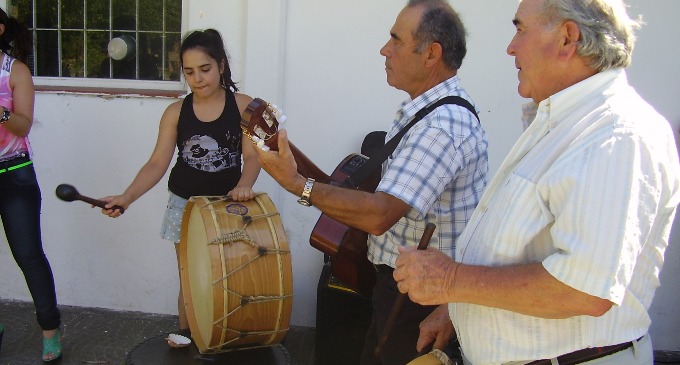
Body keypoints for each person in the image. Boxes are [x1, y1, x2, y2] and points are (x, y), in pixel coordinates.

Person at [393, 1, 680, 364]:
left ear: (567, 38)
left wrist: (451, 281)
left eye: (520, 29)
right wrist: (460, 308)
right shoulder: (565, 121)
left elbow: (584, 290)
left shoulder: (615, 134)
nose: (511, 47)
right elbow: (529, 248)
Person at [254, 1, 488, 364]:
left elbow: (381, 214)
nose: (384, 49)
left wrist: (297, 185)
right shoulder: (424, 111)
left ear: (431, 54)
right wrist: (298, 175)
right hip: (403, 290)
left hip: (419, 301)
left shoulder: (441, 128)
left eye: (396, 39)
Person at [100, 28, 261, 337]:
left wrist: (244, 185)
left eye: (205, 69)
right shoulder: (175, 112)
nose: (198, 78)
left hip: (228, 205)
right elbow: (157, 163)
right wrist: (127, 196)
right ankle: (188, 336)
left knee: (228, 275)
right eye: (189, 72)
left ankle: (223, 336)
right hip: (185, 205)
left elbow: (253, 157)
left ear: (221, 66)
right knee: (192, 276)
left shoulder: (243, 106)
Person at [0, 7, 63, 362]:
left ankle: (51, 330)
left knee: (28, 255)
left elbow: (23, 125)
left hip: (14, 174)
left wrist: (1, 112)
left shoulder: (15, 71)